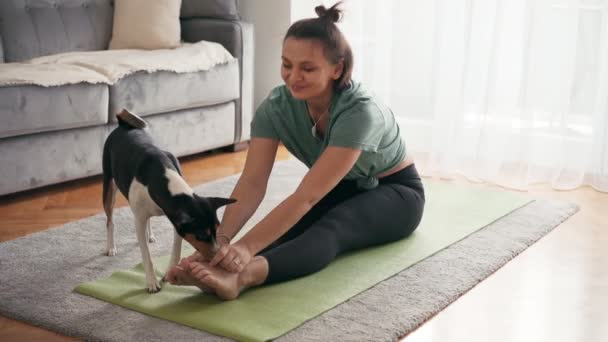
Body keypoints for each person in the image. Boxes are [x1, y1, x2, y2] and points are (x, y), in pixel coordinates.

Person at [166, 2, 425, 300]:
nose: (293, 77)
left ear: (336, 68)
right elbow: (251, 183)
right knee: (288, 230)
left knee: (332, 228)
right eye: (287, 65)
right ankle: (220, 269)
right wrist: (220, 245)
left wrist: (245, 249)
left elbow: (307, 196)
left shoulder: (361, 112)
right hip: (341, 187)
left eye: (308, 68)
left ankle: (241, 278)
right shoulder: (275, 107)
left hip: (396, 192)